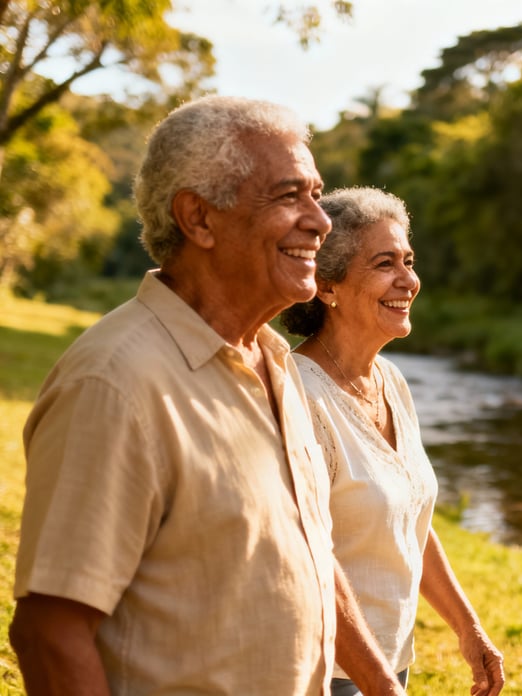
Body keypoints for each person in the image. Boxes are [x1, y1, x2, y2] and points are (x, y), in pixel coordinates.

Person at [10, 96, 405, 696]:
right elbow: (50, 633)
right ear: (198, 219)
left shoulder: (275, 364)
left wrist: (380, 682)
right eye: (288, 195)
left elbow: (310, 550)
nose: (321, 221)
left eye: (316, 193)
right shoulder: (114, 384)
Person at [281, 186, 506, 696]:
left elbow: (410, 522)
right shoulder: (298, 395)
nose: (409, 280)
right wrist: (378, 685)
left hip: (389, 660)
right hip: (322, 671)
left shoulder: (392, 381)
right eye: (385, 264)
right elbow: (306, 561)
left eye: (409, 260)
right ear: (328, 287)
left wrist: (468, 630)